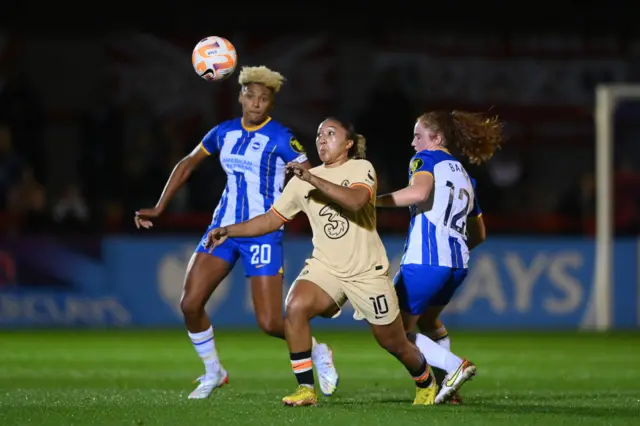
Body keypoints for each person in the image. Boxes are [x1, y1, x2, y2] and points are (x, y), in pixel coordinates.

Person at [205, 117, 459, 407]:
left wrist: (311, 177)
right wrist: (229, 229)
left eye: (330, 133)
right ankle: (305, 390)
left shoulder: (360, 168)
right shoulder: (300, 183)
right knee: (295, 306)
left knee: (394, 342)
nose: (321, 139)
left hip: (366, 271)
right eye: (318, 134)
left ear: (349, 143)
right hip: (326, 267)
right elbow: (270, 219)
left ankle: (425, 381)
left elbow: (355, 201)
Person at [134, 66, 338, 399]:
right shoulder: (222, 132)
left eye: (264, 98)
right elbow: (187, 163)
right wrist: (159, 207)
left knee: (271, 322)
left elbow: (310, 174)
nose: (257, 103)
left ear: (271, 103)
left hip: (262, 233)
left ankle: (316, 350)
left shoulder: (282, 138)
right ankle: (214, 371)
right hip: (222, 229)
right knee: (189, 304)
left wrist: (315, 198)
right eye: (251, 96)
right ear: (240, 96)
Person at [376, 110, 502, 404]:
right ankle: (450, 387)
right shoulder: (467, 177)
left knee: (391, 331)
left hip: (426, 260)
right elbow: (480, 234)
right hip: (457, 264)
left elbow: (419, 193)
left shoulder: (426, 159)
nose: (412, 143)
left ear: (437, 138)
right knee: (430, 321)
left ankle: (455, 366)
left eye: (418, 136)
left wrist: (371, 202)